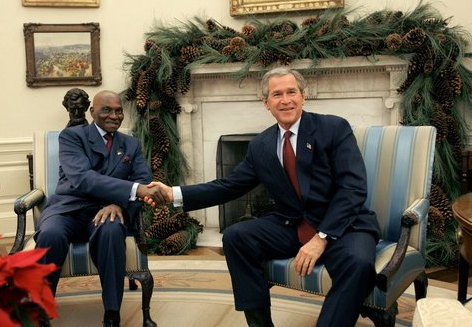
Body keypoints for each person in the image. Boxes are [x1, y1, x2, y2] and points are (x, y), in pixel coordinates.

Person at [144, 68, 381, 327]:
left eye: (292, 92)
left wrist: (321, 237)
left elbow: (352, 188)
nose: (286, 100)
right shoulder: (261, 145)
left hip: (344, 225)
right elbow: (228, 186)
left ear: (303, 95)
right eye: (277, 94)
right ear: (266, 103)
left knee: (357, 264)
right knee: (236, 236)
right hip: (294, 224)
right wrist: (173, 193)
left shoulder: (333, 128)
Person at [35, 90, 163, 327]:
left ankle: (112, 314)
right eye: (106, 110)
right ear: (92, 112)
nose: (114, 116)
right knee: (50, 234)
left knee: (113, 230)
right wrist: (130, 190)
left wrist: (118, 203)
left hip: (107, 211)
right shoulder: (72, 136)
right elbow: (83, 178)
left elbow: (144, 182)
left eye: (118, 110)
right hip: (68, 208)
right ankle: (40, 311)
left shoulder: (131, 144)